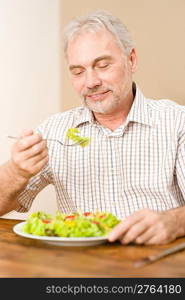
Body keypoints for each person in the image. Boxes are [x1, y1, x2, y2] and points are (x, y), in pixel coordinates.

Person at [0, 10, 185, 245]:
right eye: (78, 71)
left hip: (157, 265)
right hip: (79, 268)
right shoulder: (55, 131)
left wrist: (174, 221)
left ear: (132, 60)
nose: (91, 82)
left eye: (103, 65)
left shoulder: (177, 122)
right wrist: (16, 171)